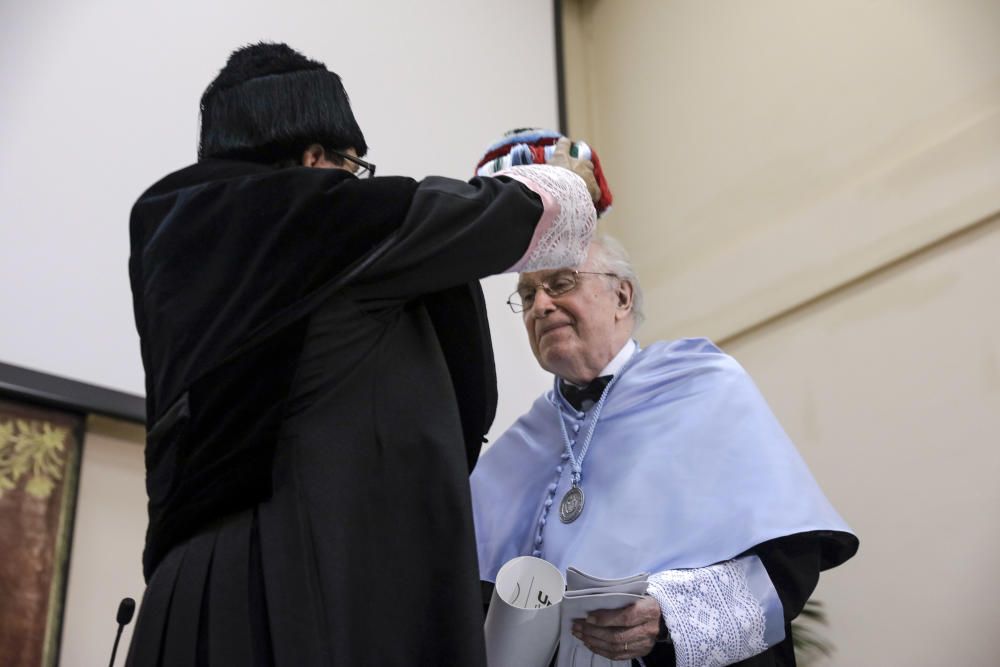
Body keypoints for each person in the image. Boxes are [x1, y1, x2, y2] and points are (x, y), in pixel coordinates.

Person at [125, 42, 600, 666]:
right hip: (306, 577)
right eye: (355, 167)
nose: (356, 184)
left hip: (185, 595)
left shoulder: (170, 237)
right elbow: (500, 216)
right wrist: (566, 179)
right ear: (315, 158)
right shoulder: (308, 215)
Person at [471, 235, 859, 666]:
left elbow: (787, 561)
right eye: (527, 295)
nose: (540, 305)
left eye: (560, 283)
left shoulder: (703, 385)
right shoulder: (519, 446)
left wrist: (666, 617)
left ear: (622, 295)